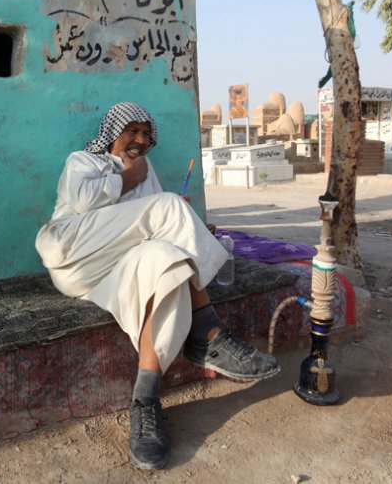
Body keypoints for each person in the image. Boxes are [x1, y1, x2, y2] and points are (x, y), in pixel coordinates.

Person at [35, 102, 279, 470]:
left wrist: (169, 210)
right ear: (112, 132)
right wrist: (130, 180)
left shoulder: (147, 172)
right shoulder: (84, 161)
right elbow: (83, 201)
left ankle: (145, 400)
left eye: (146, 134)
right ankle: (208, 331)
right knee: (167, 209)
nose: (140, 139)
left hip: (116, 266)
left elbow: (160, 220)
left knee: (169, 262)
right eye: (132, 130)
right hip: (71, 252)